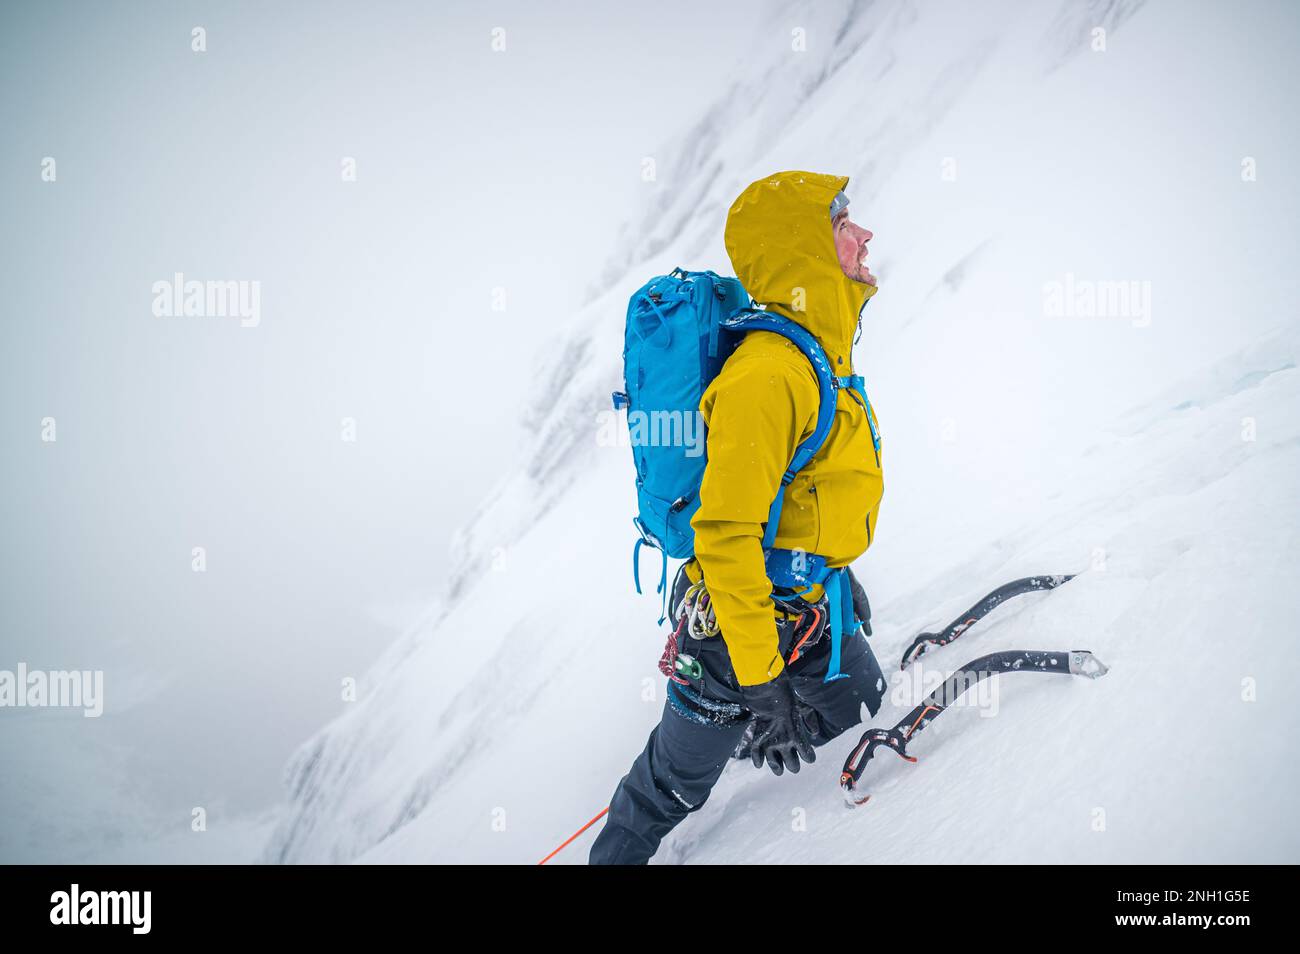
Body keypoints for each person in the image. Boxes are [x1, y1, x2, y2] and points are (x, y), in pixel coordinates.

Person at [589, 171, 887, 865]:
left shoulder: (814, 356)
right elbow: (725, 537)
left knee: (864, 712)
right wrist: (760, 681)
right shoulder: (767, 376)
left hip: (806, 611)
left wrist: (832, 568)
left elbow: (809, 491)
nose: (864, 234)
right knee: (667, 789)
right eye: (844, 223)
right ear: (803, 250)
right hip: (732, 637)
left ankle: (760, 759)